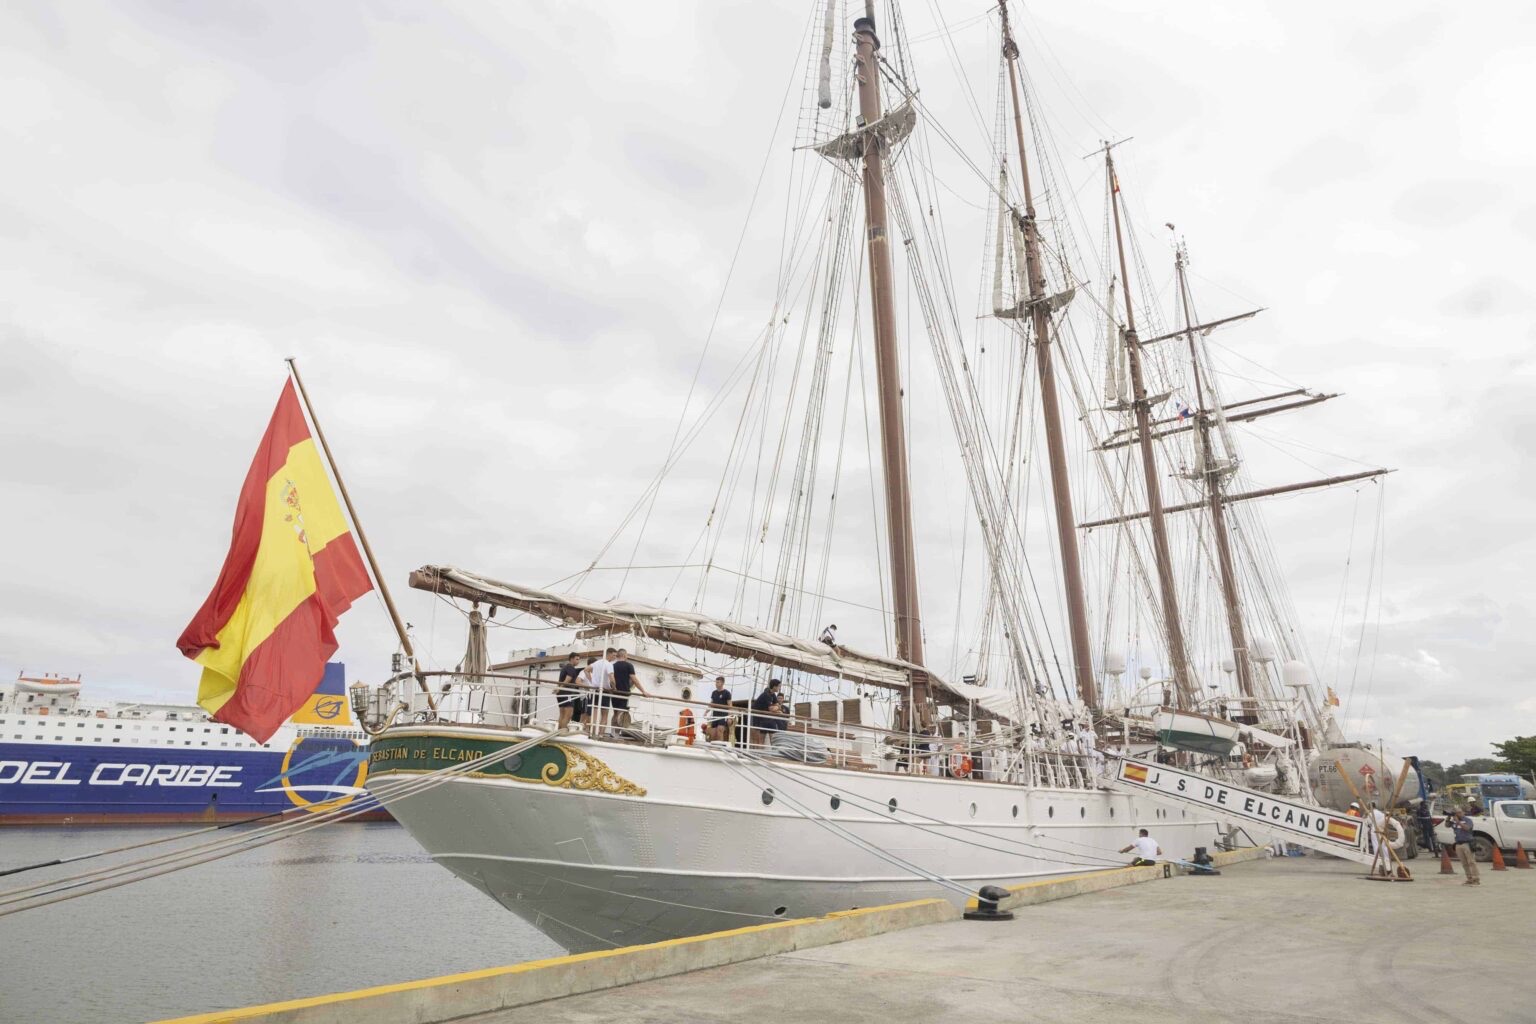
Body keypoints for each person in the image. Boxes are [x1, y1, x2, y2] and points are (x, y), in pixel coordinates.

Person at [609, 648, 647, 732]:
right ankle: (617, 734)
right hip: (624, 693)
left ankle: (613, 733)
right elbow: (634, 680)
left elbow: (611, 679)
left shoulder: (612, 666)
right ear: (625, 655)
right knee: (621, 714)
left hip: (614, 692)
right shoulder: (629, 665)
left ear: (618, 655)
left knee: (615, 713)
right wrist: (643, 691)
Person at [751, 678, 787, 748]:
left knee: (772, 739)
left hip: (766, 718)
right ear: (774, 686)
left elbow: (777, 706)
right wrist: (777, 708)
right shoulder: (766, 695)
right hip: (758, 717)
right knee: (759, 740)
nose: (779, 688)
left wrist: (776, 708)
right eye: (779, 686)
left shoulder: (772, 694)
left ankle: (772, 755)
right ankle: (758, 754)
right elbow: (772, 708)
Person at [554, 652, 585, 731]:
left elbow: (561, 680)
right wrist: (560, 688)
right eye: (577, 659)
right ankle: (563, 731)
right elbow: (568, 678)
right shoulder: (570, 668)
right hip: (566, 693)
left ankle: (558, 730)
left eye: (579, 660)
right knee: (568, 714)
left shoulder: (565, 668)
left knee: (562, 714)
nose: (578, 661)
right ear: (571, 659)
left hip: (561, 693)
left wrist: (559, 688)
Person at [1448, 810, 1480, 885]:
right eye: (1457, 813)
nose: (1458, 814)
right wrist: (1448, 818)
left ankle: (1476, 879)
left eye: (1460, 812)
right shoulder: (1454, 821)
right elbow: (1447, 825)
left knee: (1471, 862)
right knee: (1464, 863)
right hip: (1458, 843)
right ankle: (1469, 878)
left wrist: (1458, 822)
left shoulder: (1468, 820)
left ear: (1463, 812)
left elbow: (1467, 828)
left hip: (1467, 843)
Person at [588, 647, 615, 733]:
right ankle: (601, 734)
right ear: (609, 654)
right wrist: (614, 688)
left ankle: (592, 731)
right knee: (604, 714)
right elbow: (612, 678)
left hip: (595, 690)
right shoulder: (609, 664)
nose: (614, 657)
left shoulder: (596, 663)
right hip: (605, 691)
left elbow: (586, 670)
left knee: (595, 713)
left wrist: (591, 681)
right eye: (614, 655)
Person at [706, 676, 732, 743]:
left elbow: (730, 706)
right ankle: (714, 749)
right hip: (715, 715)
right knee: (713, 734)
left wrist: (729, 717)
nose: (716, 684)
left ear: (722, 683)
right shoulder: (714, 693)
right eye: (716, 682)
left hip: (723, 716)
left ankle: (720, 748)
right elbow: (711, 704)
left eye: (718, 682)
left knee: (719, 731)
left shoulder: (727, 693)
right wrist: (706, 712)